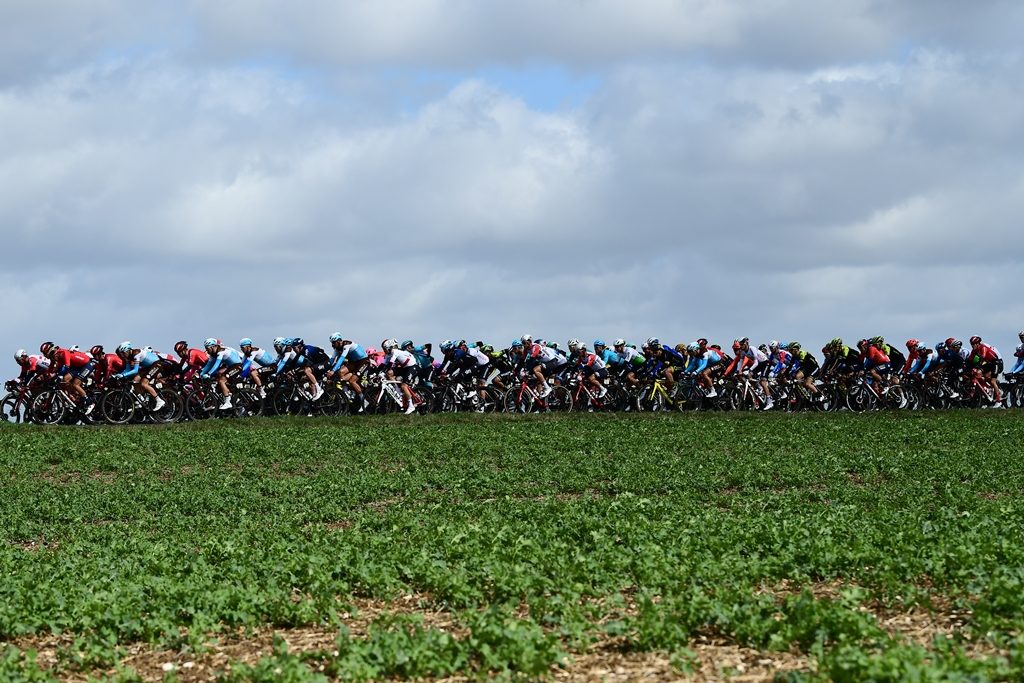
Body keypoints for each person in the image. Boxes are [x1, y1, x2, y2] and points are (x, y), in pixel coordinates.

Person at [113, 342, 166, 411]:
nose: (122, 355)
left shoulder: (136, 353)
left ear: (128, 350)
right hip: (148, 366)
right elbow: (127, 370)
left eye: (123, 353)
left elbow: (135, 370)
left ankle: (159, 400)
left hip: (156, 364)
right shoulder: (128, 357)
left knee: (143, 383)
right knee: (134, 381)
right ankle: (141, 401)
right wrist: (117, 375)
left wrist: (123, 375)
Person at [46, 344, 96, 413]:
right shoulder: (55, 356)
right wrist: (48, 375)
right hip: (77, 367)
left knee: (75, 384)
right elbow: (51, 368)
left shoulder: (63, 352)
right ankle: (74, 395)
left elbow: (67, 365)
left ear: (51, 352)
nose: (51, 358)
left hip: (86, 364)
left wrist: (58, 375)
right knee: (65, 379)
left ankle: (90, 402)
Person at [326, 333, 370, 408]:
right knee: (340, 372)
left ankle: (364, 401)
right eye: (331, 343)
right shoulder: (337, 349)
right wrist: (326, 369)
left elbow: (341, 358)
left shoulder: (347, 344)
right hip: (354, 363)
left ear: (338, 341)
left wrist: (333, 371)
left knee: (352, 381)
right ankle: (346, 394)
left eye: (333, 343)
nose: (332, 345)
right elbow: (331, 360)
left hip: (363, 362)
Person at [198, 339, 244, 409]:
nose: (206, 350)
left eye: (207, 348)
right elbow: (208, 366)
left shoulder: (221, 352)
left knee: (221, 380)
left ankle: (228, 402)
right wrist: (201, 374)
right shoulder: (213, 355)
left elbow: (216, 365)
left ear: (213, 347)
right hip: (230, 367)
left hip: (237, 366)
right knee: (219, 380)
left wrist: (209, 374)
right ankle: (231, 395)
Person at [381, 338, 419, 414]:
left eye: (385, 349)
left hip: (412, 367)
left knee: (404, 386)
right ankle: (397, 391)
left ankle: (411, 406)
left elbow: (390, 364)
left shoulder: (395, 352)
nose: (384, 351)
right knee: (389, 373)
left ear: (389, 348)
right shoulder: (388, 355)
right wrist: (376, 373)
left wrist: (382, 371)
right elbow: (382, 365)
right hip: (405, 368)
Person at [967, 335, 1003, 404]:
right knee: (979, 375)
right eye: (971, 344)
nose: (972, 346)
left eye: (974, 344)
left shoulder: (983, 347)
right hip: (988, 363)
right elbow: (970, 360)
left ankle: (998, 398)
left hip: (995, 363)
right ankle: (987, 388)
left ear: (978, 343)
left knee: (993, 381)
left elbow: (982, 358)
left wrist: (977, 367)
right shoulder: (974, 350)